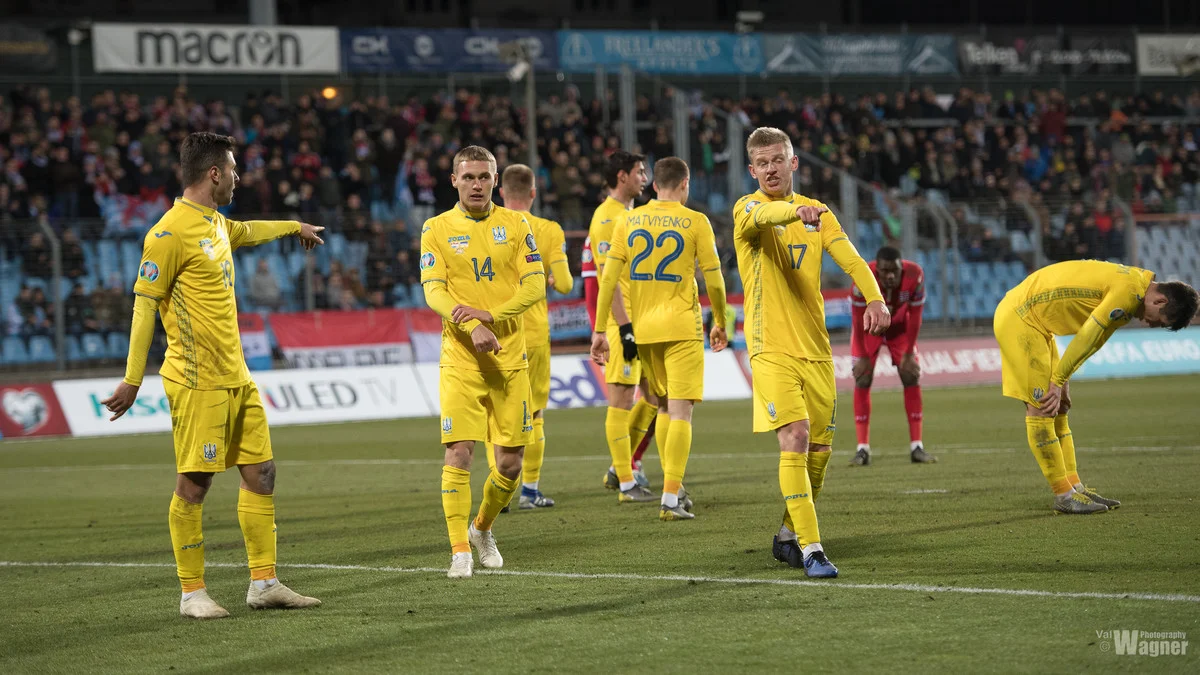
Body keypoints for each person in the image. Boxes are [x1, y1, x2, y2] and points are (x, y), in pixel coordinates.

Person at [100, 132, 325, 620]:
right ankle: (192, 593)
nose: (239, 178)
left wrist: (295, 226)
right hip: (196, 379)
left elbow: (249, 230)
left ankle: (264, 583)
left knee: (262, 473)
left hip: (236, 375)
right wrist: (132, 379)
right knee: (195, 483)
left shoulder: (217, 223)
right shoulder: (167, 234)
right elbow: (144, 307)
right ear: (214, 173)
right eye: (234, 170)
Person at [732, 127, 891, 578]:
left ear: (793, 162)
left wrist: (875, 298)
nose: (770, 169)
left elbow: (851, 258)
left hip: (816, 349)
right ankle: (813, 549)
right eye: (762, 163)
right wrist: (793, 211)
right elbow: (768, 215)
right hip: (769, 347)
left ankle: (788, 535)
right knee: (796, 436)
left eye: (777, 160)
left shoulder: (819, 213)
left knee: (819, 451)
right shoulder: (747, 209)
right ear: (752, 170)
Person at [419, 145, 546, 579]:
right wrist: (472, 325)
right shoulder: (435, 228)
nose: (477, 185)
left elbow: (535, 285)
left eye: (484, 177)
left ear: (495, 181)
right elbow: (434, 291)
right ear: (453, 180)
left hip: (509, 359)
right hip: (460, 360)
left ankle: (482, 529)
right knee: (459, 453)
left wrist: (490, 316)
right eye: (469, 177)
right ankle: (459, 551)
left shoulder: (517, 224)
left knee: (510, 465)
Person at [994, 260, 1198, 514]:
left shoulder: (1134, 289)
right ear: (1160, 301)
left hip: (1038, 324)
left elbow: (1096, 340)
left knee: (1060, 407)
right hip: (1021, 317)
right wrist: (1057, 381)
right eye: (1160, 321)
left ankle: (1075, 487)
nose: (1152, 325)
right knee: (1042, 407)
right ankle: (1063, 495)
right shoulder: (1128, 292)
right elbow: (1088, 334)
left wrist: (1062, 379)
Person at [590, 157, 729, 520]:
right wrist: (720, 320)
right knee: (680, 411)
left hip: (644, 330)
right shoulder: (696, 221)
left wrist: (600, 330)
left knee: (663, 405)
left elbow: (608, 279)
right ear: (685, 184)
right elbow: (714, 280)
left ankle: (673, 487)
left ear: (654, 185)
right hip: (681, 327)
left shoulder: (628, 220)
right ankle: (670, 497)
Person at [483, 163, 573, 510]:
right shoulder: (548, 230)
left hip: (494, 332)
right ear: (534, 193)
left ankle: (499, 492)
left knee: (495, 415)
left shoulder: (488, 226)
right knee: (533, 414)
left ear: (501, 191)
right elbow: (565, 284)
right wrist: (548, 279)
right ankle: (530, 492)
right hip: (532, 334)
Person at [589, 150, 659, 501]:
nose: (644, 178)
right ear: (622, 176)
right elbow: (609, 278)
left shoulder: (632, 215)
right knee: (621, 400)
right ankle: (627, 483)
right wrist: (623, 327)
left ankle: (621, 468)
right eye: (639, 172)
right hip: (623, 323)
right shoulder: (607, 217)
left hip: (643, 319)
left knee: (655, 397)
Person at [849, 246, 937, 466]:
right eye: (884, 271)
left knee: (911, 375)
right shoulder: (863, 277)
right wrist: (862, 355)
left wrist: (909, 352)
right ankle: (862, 449)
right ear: (877, 270)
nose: (889, 276)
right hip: (869, 329)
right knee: (863, 378)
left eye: (894, 271)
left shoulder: (915, 275)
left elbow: (915, 316)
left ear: (901, 268)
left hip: (899, 329)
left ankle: (917, 447)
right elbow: (857, 320)